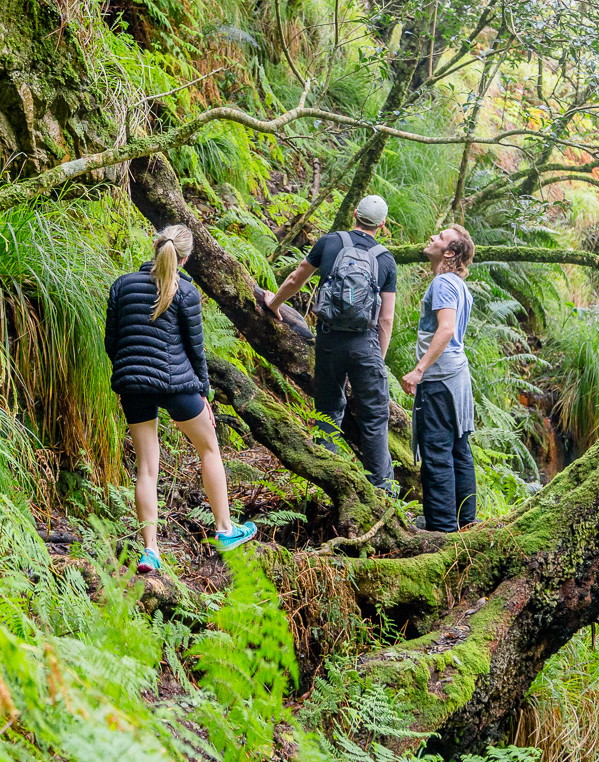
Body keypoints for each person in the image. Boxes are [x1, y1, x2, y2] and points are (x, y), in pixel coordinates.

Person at [105, 224, 256, 574]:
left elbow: (112, 343)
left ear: (155, 247)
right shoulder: (185, 292)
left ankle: (151, 552)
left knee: (146, 468)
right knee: (209, 449)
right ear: (185, 258)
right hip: (178, 384)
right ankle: (225, 530)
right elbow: (196, 350)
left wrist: (131, 373)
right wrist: (203, 394)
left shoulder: (122, 285)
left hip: (133, 384)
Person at [259, 195, 397, 492]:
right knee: (374, 417)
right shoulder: (386, 259)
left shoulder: (330, 242)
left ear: (355, 214)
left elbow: (297, 278)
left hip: (329, 339)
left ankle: (324, 478)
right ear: (382, 225)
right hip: (365, 344)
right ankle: (382, 491)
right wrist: (377, 359)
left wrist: (275, 304)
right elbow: (386, 320)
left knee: (328, 409)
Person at [399, 225, 476, 532]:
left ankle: (442, 529)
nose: (431, 237)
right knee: (459, 449)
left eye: (440, 237)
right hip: (457, 376)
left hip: (441, 378)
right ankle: (466, 522)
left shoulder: (444, 283)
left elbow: (446, 329)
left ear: (449, 253)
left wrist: (420, 369)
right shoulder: (458, 285)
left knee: (436, 451)